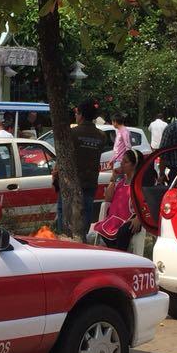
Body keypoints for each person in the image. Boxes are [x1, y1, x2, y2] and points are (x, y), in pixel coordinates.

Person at [56, 100, 109, 233]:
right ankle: (82, 245)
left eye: (77, 113)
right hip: (90, 183)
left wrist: (55, 175)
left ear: (81, 115)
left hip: (71, 183)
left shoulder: (72, 133)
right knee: (85, 216)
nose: (75, 116)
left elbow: (64, 159)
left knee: (66, 219)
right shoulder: (101, 136)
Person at [99, 148, 143, 251]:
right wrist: (113, 178)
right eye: (122, 161)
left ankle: (120, 254)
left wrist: (138, 218)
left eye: (125, 162)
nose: (122, 164)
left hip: (129, 220)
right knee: (103, 230)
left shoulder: (138, 185)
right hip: (114, 220)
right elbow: (108, 199)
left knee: (123, 231)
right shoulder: (120, 182)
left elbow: (144, 204)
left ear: (134, 165)